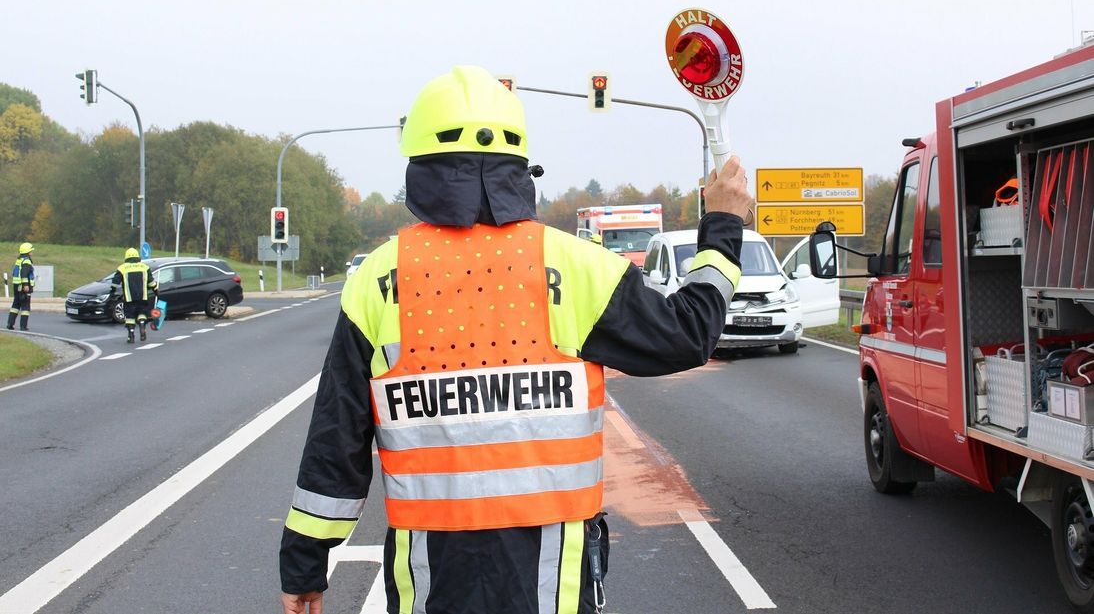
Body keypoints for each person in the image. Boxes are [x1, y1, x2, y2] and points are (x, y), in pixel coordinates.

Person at [279, 66, 753, 614]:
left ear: (419, 165)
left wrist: (304, 566)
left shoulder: (380, 278)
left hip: (431, 582)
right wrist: (721, 223)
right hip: (550, 581)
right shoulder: (574, 266)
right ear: (520, 166)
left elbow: (336, 442)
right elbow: (689, 332)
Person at [112, 248, 157, 343]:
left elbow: (115, 283)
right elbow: (151, 282)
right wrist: (156, 290)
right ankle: (141, 324)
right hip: (143, 296)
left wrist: (112, 291)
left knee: (130, 316)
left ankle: (131, 335)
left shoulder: (122, 268)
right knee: (142, 313)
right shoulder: (145, 267)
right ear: (137, 256)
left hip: (129, 298)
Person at [6, 242, 35, 331]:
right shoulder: (26, 261)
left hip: (17, 285)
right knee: (26, 306)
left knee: (16, 305)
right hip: (23, 287)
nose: (32, 252)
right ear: (27, 251)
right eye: (31, 250)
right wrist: (26, 285)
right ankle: (23, 326)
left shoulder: (19, 260)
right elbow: (24, 274)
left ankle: (10, 324)